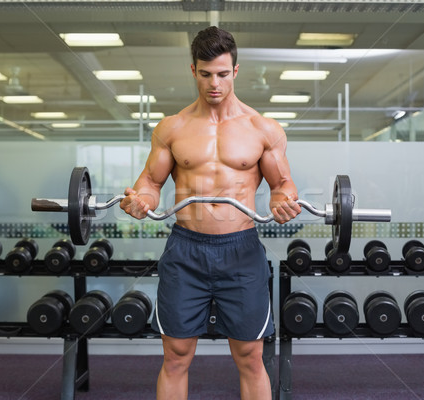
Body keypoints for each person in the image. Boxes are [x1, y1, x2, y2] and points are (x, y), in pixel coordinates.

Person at [120, 26, 301, 400]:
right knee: (176, 355)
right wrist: (141, 201)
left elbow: (283, 184)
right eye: (205, 74)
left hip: (242, 249)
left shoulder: (262, 129)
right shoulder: (172, 128)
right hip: (186, 250)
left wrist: (281, 202)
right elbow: (150, 184)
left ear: (235, 71)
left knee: (251, 355)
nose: (214, 83)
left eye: (222, 74)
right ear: (193, 71)